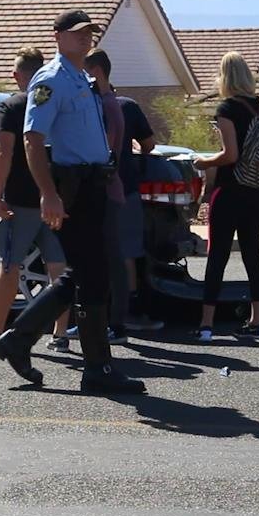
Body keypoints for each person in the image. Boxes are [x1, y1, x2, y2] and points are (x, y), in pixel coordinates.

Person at [0, 10, 145, 394]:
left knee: (87, 274)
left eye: (89, 33)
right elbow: (32, 139)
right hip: (73, 188)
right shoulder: (52, 79)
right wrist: (49, 193)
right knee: (93, 278)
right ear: (57, 37)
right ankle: (97, 368)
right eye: (77, 34)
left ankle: (18, 340)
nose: (85, 39)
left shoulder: (83, 80)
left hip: (93, 186)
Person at [0, 47, 70, 350]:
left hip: (21, 199)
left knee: (10, 263)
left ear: (17, 75)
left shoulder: (13, 106)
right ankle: (60, 334)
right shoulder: (57, 103)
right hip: (55, 197)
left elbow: (4, 151)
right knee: (59, 266)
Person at [81, 49, 163, 342]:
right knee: (125, 253)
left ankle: (97, 313)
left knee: (95, 253)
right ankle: (126, 311)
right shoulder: (127, 106)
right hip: (124, 187)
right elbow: (150, 145)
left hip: (92, 190)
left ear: (95, 73)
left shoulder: (86, 108)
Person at [191, 51, 259, 342]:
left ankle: (206, 325)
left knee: (218, 256)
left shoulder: (226, 109)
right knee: (253, 254)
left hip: (230, 192)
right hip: (258, 190)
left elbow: (231, 155)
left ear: (224, 77)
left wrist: (204, 162)